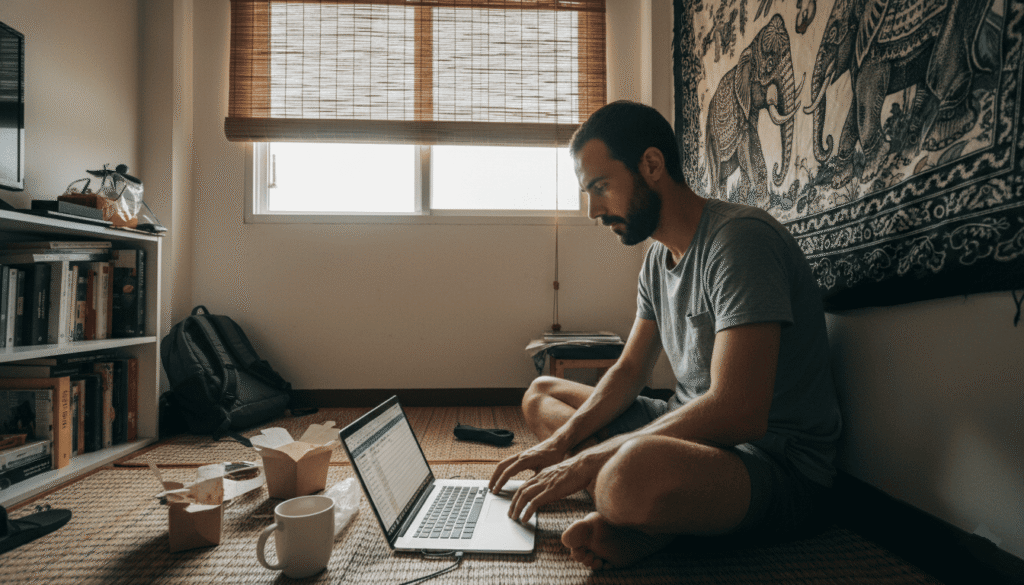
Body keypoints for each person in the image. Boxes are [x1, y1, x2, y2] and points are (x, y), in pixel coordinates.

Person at [488, 100, 842, 570]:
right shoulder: (657, 259)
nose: (593, 210)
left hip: (774, 465)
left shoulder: (740, 242)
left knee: (627, 473)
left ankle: (631, 508)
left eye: (600, 187)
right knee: (541, 394)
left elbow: (738, 412)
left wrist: (587, 460)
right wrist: (561, 444)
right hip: (688, 430)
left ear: (651, 165)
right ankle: (641, 519)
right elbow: (630, 370)